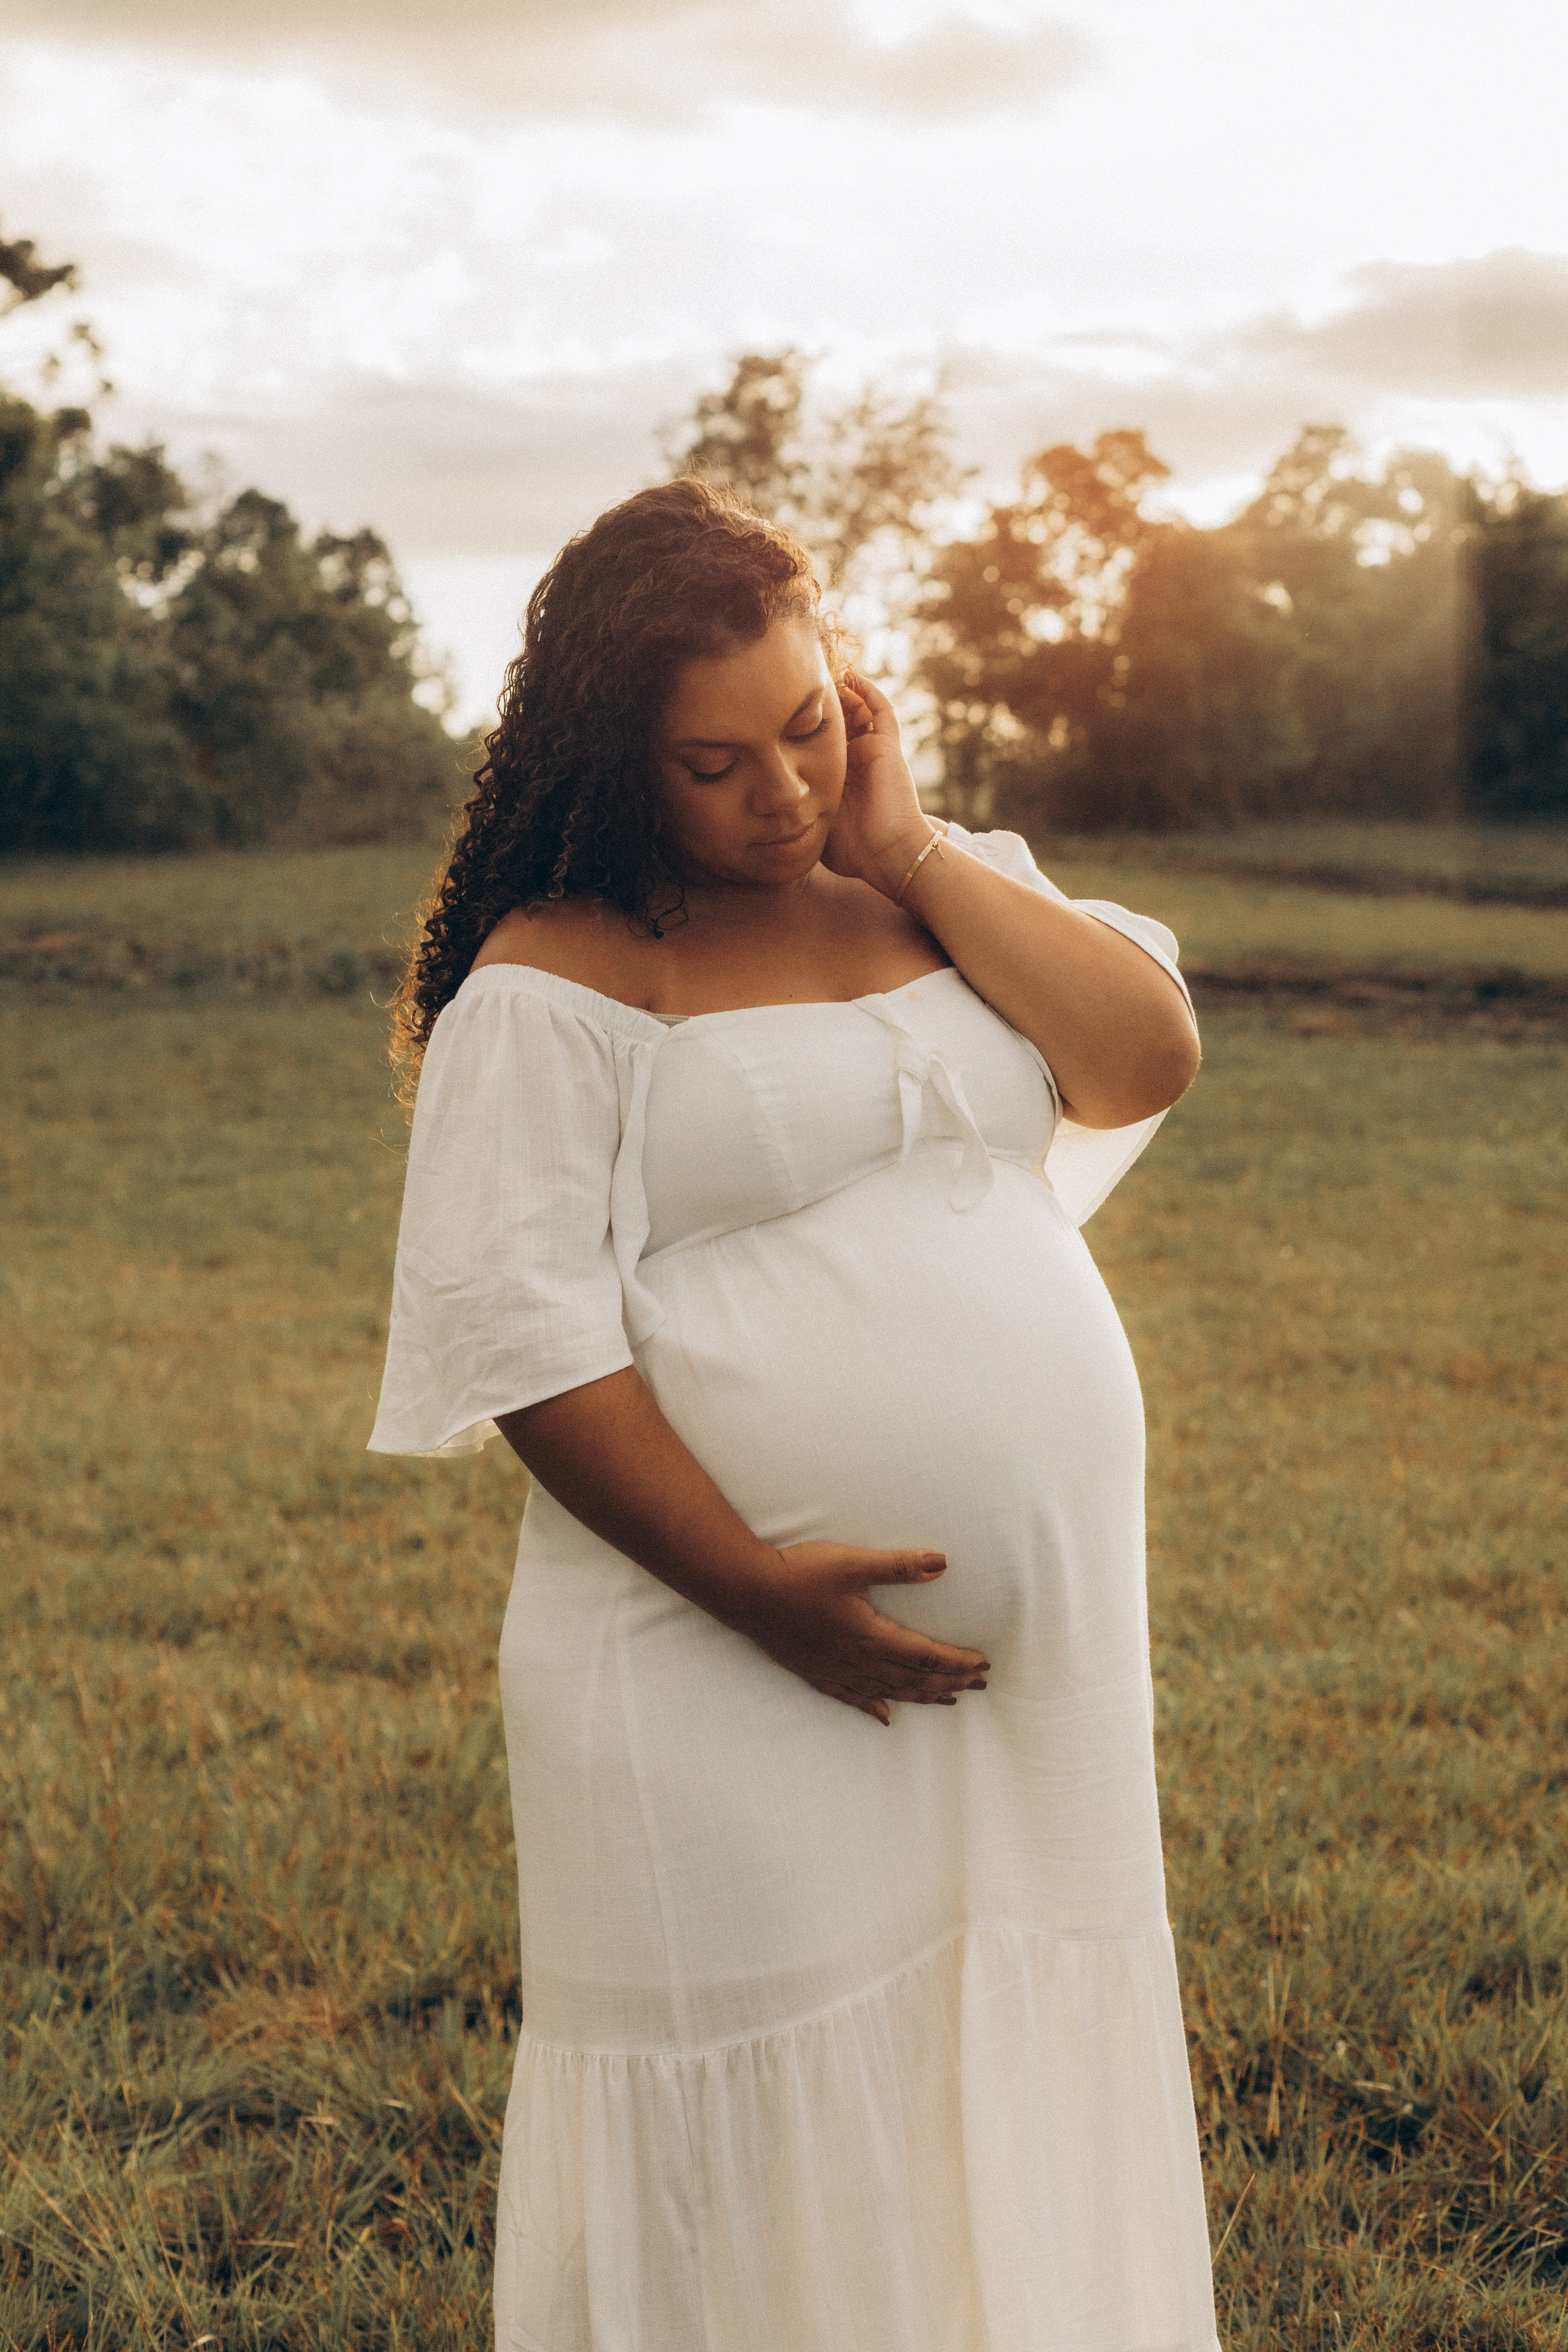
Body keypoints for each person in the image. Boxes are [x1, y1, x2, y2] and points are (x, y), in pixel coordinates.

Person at [370, 478, 1218, 2352]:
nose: (787, 791)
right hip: (708, 1655)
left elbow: (1141, 1056)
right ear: (617, 761)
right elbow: (529, 1337)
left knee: (992, 2047)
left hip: (1035, 1676)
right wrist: (753, 1589)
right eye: (716, 762)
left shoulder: (939, 878)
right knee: (753, 2104)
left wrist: (913, 851)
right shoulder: (562, 972)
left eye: (813, 723)